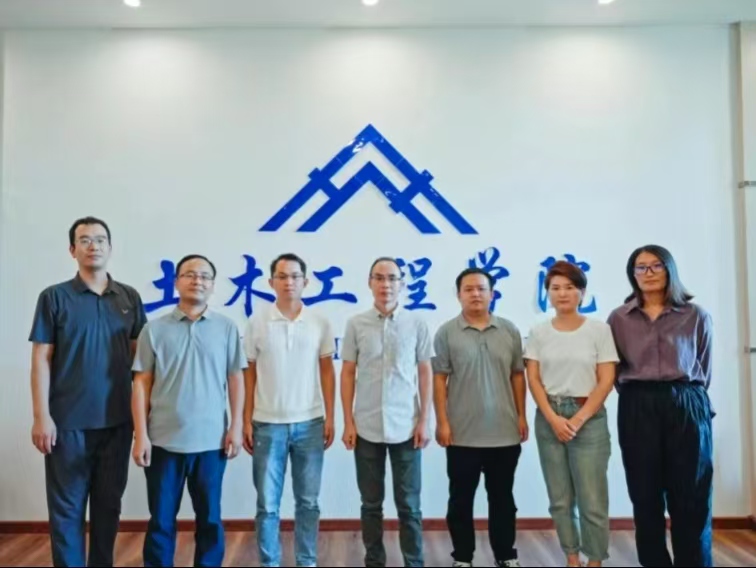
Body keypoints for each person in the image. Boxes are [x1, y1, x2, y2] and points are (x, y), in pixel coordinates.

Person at [29, 216, 147, 567]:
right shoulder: (54, 297)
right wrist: (41, 417)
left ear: (110, 247)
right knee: (67, 510)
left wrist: (143, 422)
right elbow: (41, 359)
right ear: (72, 250)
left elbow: (140, 364)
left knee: (108, 508)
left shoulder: (128, 297)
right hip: (67, 425)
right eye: (85, 240)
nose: (93, 246)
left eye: (100, 240)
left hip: (117, 422)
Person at [132, 254, 246, 567]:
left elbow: (236, 379)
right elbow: (141, 383)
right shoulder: (153, 330)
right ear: (176, 282)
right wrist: (140, 435)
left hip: (211, 442)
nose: (198, 280)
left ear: (213, 285)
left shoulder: (226, 328)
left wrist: (236, 427)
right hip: (162, 441)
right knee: (161, 519)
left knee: (209, 519)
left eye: (205, 276)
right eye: (190, 274)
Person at [607, 244, 714, 568]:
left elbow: (704, 366)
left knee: (691, 495)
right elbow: (614, 369)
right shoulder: (618, 318)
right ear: (632, 274)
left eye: (656, 265)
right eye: (641, 267)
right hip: (637, 405)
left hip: (686, 404)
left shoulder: (695, 315)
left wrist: (687, 401)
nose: (649, 273)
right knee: (645, 494)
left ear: (670, 270)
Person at [243, 253, 336, 568]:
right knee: (267, 505)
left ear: (305, 282)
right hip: (267, 423)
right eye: (282, 276)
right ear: (271, 282)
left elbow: (327, 372)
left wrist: (330, 417)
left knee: (308, 502)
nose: (289, 282)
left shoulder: (319, 322)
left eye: (295, 276)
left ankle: (306, 561)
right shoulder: (257, 322)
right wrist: (245, 420)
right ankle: (269, 562)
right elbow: (248, 374)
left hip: (310, 423)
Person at [432, 267, 528, 568]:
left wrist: (522, 416)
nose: (475, 294)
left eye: (481, 288)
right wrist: (442, 422)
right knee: (460, 500)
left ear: (492, 293)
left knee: (503, 499)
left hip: (504, 431)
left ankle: (505, 555)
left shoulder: (509, 330)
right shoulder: (446, 333)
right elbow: (439, 380)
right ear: (459, 294)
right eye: (468, 289)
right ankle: (462, 557)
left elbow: (517, 375)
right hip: (461, 434)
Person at [524, 261, 618, 568]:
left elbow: (606, 380)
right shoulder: (538, 332)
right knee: (560, 498)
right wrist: (553, 418)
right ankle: (572, 558)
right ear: (547, 294)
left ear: (582, 292)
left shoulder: (599, 330)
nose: (562, 293)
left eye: (569, 287)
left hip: (588, 418)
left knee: (592, 498)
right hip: (549, 417)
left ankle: (595, 561)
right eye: (555, 288)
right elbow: (533, 379)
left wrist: (577, 420)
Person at [341, 257, 434, 567]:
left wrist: (424, 420)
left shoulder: (416, 323)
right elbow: (347, 373)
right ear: (370, 283)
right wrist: (348, 421)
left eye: (392, 278)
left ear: (402, 284)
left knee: (409, 505)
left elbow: (425, 372)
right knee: (371, 504)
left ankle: (414, 562)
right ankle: (374, 561)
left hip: (407, 426)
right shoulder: (356, 324)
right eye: (379, 278)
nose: (386, 284)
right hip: (366, 426)